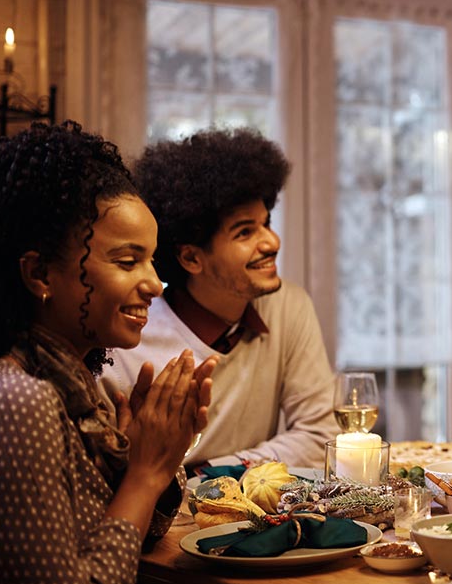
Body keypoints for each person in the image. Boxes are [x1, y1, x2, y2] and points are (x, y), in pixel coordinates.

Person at [0, 122, 213, 584]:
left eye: (151, 260)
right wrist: (143, 475)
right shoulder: (8, 399)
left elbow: (125, 545)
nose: (155, 285)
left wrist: (145, 457)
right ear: (38, 275)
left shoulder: (78, 389)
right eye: (127, 260)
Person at [101, 128, 335, 470]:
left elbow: (319, 436)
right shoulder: (125, 344)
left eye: (266, 223)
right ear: (192, 258)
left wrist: (211, 472)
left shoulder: (288, 306)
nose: (271, 242)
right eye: (245, 232)